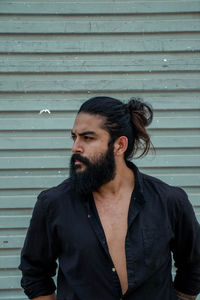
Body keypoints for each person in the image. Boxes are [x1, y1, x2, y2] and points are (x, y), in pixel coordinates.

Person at [19, 96, 200, 300]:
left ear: (119, 145)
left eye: (88, 138)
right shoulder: (54, 203)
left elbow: (193, 265)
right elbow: (35, 273)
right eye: (74, 137)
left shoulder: (169, 201)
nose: (75, 147)